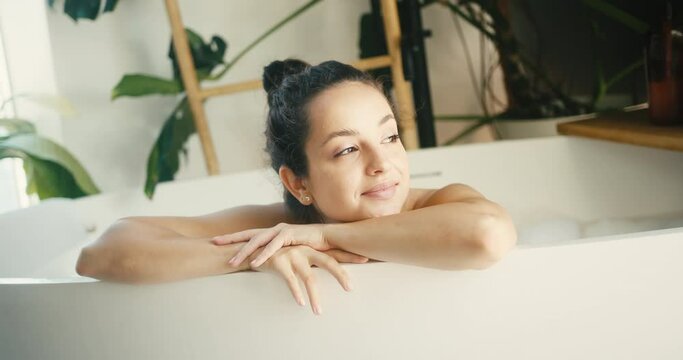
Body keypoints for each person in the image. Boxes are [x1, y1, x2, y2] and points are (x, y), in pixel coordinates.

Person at [76, 59, 517, 315]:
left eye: (389, 137)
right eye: (347, 150)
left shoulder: (440, 203)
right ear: (298, 182)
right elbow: (104, 253)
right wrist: (266, 254)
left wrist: (323, 236)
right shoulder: (281, 226)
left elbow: (486, 236)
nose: (382, 164)